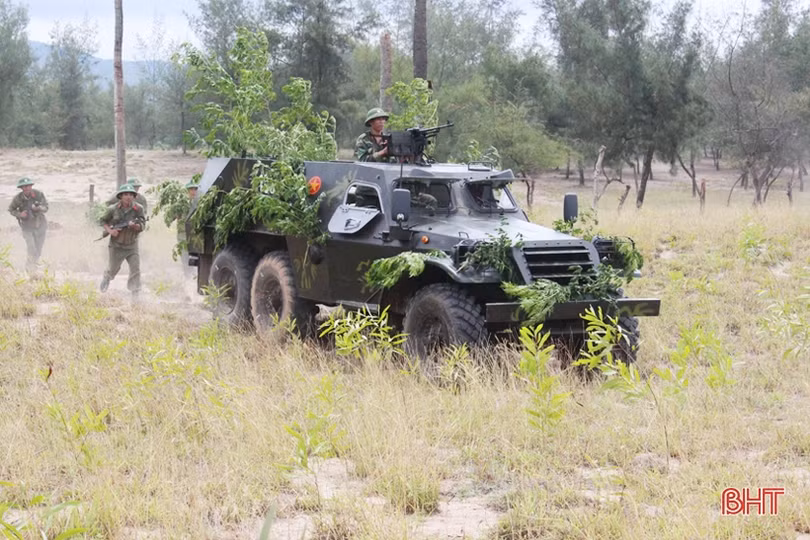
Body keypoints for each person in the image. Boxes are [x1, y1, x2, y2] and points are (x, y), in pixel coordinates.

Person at [99, 184, 146, 298]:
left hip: (132, 245)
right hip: (117, 245)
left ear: (134, 196)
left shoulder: (138, 209)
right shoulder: (112, 209)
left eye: (131, 194)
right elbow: (102, 221)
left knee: (135, 269)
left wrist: (136, 226)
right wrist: (110, 231)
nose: (128, 197)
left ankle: (135, 293)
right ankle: (107, 277)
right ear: (120, 196)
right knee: (113, 269)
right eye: (125, 194)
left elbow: (143, 224)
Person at [8, 177, 49, 272]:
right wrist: (20, 214)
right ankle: (29, 267)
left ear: (31, 186)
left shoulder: (39, 194)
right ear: (21, 188)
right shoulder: (18, 198)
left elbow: (46, 208)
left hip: (40, 225)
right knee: (31, 247)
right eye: (24, 186)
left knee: (38, 248)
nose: (26, 188)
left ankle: (34, 265)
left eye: (28, 186)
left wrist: (38, 208)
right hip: (26, 227)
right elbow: (11, 209)